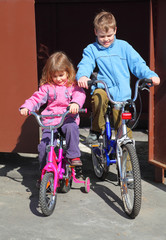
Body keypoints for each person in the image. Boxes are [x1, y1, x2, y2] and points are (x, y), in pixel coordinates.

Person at [76, 10, 160, 143]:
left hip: (122, 93)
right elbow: (86, 64)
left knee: (124, 133)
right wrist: (83, 76)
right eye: (102, 36)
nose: (106, 39)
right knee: (98, 97)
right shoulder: (91, 49)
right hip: (104, 89)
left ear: (115, 30)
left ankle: (127, 160)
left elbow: (137, 64)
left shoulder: (124, 47)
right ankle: (96, 130)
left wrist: (150, 75)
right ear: (95, 32)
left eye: (109, 35)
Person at [20, 51, 86, 170]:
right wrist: (27, 107)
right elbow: (36, 98)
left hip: (67, 117)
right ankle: (44, 172)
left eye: (61, 75)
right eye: (54, 76)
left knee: (72, 129)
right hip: (51, 120)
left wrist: (75, 103)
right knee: (43, 146)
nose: (58, 79)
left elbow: (79, 94)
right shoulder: (47, 87)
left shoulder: (73, 85)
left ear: (68, 72)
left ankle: (73, 155)